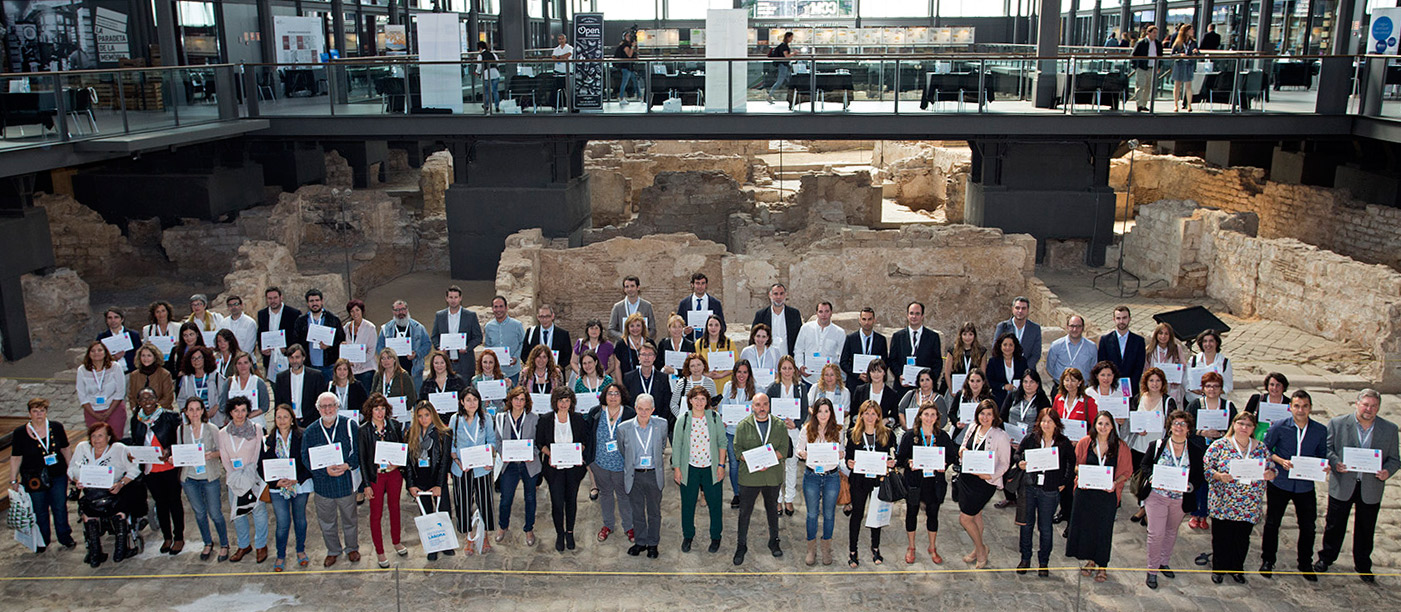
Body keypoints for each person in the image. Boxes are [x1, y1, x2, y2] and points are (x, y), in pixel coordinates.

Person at [1315, 389, 1399, 582]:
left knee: (1366, 528)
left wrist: (1387, 471)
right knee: (1334, 525)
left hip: (1371, 486)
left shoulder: (1390, 429)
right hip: (1343, 483)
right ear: (1357, 403)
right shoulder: (1337, 423)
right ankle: (1326, 558)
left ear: (1378, 408)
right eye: (1366, 405)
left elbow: (1395, 459)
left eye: (1374, 406)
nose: (1369, 409)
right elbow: (1327, 449)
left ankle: (1363, 565)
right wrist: (1336, 463)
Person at [1259, 390, 1327, 580]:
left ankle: (1305, 563)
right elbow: (1265, 449)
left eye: (1305, 406)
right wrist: (1280, 461)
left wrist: (1324, 466)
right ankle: (1268, 560)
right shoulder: (1280, 427)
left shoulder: (1320, 430)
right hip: (1280, 482)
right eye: (1297, 406)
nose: (1300, 410)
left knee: (1308, 526)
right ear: (1290, 408)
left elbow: (1323, 454)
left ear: (1310, 408)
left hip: (1305, 485)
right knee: (1272, 523)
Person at [1204, 411, 1275, 584]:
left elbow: (1272, 467)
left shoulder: (1260, 448)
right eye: (1241, 423)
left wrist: (1271, 473)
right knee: (1222, 536)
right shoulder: (1219, 445)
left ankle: (1237, 568)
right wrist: (1219, 476)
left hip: (1249, 503)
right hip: (1224, 501)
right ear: (1234, 425)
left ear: (1253, 429)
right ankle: (1219, 568)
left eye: (1248, 425)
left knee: (1242, 537)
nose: (1244, 428)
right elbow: (1207, 469)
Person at [1141, 410, 1207, 589]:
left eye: (1183, 424)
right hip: (1157, 497)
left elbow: (1199, 475)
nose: (1179, 427)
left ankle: (1164, 561)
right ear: (1169, 427)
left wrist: (1191, 486)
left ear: (1188, 429)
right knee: (1156, 534)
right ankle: (1152, 570)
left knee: (1171, 530)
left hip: (1180, 499)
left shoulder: (1195, 450)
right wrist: (1151, 477)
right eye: (1175, 423)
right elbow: (1145, 465)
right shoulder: (1157, 445)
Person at [1065, 411, 1134, 582]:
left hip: (1107, 494)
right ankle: (1090, 560)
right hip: (1086, 494)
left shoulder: (1120, 446)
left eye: (1107, 424)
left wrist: (1115, 483)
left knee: (1103, 530)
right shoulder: (1085, 442)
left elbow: (1126, 472)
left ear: (1113, 427)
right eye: (1100, 424)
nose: (1103, 427)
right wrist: (1081, 472)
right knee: (1088, 528)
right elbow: (1075, 465)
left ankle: (1102, 565)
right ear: (1095, 425)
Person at [68, 422, 141, 567]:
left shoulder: (119, 449)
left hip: (112, 491)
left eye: (100, 436)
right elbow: (72, 469)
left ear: (108, 437)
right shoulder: (82, 448)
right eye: (93, 436)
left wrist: (121, 484)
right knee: (88, 514)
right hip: (90, 493)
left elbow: (135, 469)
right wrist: (77, 480)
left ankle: (122, 549)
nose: (96, 439)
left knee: (119, 512)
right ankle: (95, 552)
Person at [1012, 408, 1075, 576]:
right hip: (1030, 487)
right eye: (1043, 421)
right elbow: (1017, 454)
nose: (1046, 424)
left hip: (1050, 490)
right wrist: (1020, 463)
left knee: (1045, 527)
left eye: (1050, 421)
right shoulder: (1032, 439)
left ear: (1056, 424)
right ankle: (1025, 558)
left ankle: (1043, 561)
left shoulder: (1063, 442)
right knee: (1026, 525)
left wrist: (1063, 482)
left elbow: (1071, 462)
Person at [9, 398, 75, 553]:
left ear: (46, 412)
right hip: (34, 478)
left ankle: (65, 536)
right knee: (40, 510)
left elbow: (65, 448)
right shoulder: (20, 433)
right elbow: (16, 457)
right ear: (29, 413)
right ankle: (42, 540)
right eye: (35, 411)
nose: (39, 414)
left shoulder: (56, 427)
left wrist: (71, 470)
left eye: (42, 411)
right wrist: (13, 479)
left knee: (59, 507)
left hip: (57, 474)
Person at [302, 391, 361, 566]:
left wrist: (348, 465)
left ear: (337, 406)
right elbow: (306, 458)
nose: (328, 410)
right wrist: (324, 471)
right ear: (318, 409)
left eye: (331, 405)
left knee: (350, 519)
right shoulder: (311, 431)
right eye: (324, 406)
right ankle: (333, 550)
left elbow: (360, 451)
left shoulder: (350, 425)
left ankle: (352, 548)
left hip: (345, 483)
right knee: (327, 522)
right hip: (323, 486)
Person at [732, 393, 790, 564]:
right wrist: (755, 462)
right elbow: (738, 450)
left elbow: (784, 448)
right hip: (749, 477)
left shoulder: (779, 425)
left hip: (772, 475)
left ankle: (774, 541)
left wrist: (769, 460)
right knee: (745, 513)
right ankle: (741, 545)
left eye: (765, 404)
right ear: (752, 406)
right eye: (758, 404)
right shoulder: (743, 426)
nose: (762, 408)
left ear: (769, 406)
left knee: (772, 510)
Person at [898, 402, 958, 566]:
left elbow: (952, 456)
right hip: (915, 481)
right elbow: (900, 458)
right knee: (912, 513)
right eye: (926, 414)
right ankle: (911, 547)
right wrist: (908, 462)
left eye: (933, 415)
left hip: (934, 482)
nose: (929, 418)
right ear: (920, 416)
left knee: (933, 514)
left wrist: (944, 464)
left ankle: (932, 547)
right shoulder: (910, 436)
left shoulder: (943, 437)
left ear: (937, 417)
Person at [125, 387, 184, 555]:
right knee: (161, 503)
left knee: (174, 502)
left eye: (150, 399)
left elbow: (180, 439)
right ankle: (167, 537)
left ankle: (178, 537)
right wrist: (133, 454)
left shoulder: (169, 416)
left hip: (169, 467)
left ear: (156, 399)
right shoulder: (136, 420)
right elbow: (137, 442)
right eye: (143, 400)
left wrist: (169, 450)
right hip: (150, 469)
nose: (147, 403)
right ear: (138, 402)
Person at [956, 400, 1012, 569]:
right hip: (967, 478)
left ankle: (981, 550)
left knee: (965, 519)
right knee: (976, 515)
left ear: (994, 415)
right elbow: (964, 446)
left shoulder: (1000, 435)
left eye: (989, 414)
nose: (985, 417)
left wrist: (991, 475)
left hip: (984, 482)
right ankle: (977, 547)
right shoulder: (973, 427)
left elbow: (1005, 463)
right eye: (982, 413)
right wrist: (962, 452)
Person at [536, 388, 592, 553]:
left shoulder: (577, 419)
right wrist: (550, 454)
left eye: (567, 400)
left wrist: (579, 450)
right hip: (554, 469)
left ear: (571, 402)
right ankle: (559, 533)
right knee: (557, 502)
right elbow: (540, 443)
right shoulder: (546, 419)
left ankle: (570, 532)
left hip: (573, 468)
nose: (564, 404)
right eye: (561, 400)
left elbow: (584, 439)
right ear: (555, 402)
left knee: (571, 501)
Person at [672, 386, 726, 554]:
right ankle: (688, 535)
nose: (699, 402)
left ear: (707, 401)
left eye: (703, 399)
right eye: (696, 399)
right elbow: (677, 446)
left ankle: (716, 536)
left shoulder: (715, 418)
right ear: (690, 400)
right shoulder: (683, 419)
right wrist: (677, 469)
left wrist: (721, 465)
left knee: (715, 504)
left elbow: (722, 443)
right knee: (688, 505)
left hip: (711, 468)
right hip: (690, 469)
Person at [844, 400, 897, 567]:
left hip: (878, 480)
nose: (869, 416)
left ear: (879, 416)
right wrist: (849, 463)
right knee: (857, 514)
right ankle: (853, 550)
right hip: (859, 480)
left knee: (876, 514)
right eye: (866, 413)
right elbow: (848, 456)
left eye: (873, 413)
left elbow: (893, 455)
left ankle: (876, 548)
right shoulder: (853, 433)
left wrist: (891, 462)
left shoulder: (887, 434)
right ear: (861, 415)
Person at [260, 403, 312, 571]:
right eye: (278, 417)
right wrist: (275, 482)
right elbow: (261, 466)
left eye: (285, 417)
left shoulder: (302, 436)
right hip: (278, 488)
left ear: (292, 419)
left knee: (300, 520)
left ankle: (300, 551)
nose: (282, 421)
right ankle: (280, 554)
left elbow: (309, 461)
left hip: (299, 485)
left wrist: (297, 479)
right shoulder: (268, 440)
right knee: (282, 522)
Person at [358, 393, 407, 566]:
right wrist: (366, 484)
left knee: (395, 507)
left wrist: (398, 465)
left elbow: (402, 449)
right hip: (375, 476)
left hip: (393, 474)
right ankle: (379, 551)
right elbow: (362, 459)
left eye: (382, 408)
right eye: (376, 409)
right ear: (370, 411)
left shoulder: (394, 425)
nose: (379, 412)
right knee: (376, 513)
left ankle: (396, 541)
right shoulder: (363, 430)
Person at [176, 397, 228, 562]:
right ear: (186, 412)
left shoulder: (211, 429)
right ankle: (207, 542)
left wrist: (210, 455)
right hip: (190, 478)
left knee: (215, 513)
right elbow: (180, 451)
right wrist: (174, 458)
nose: (194, 413)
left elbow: (222, 451)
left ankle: (225, 544)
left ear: (202, 411)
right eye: (190, 410)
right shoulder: (181, 430)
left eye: (197, 409)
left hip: (209, 477)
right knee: (199, 513)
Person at [796, 398, 846, 565]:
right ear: (814, 413)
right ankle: (811, 548)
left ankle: (826, 547)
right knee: (811, 514)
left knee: (829, 514)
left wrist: (841, 454)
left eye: (826, 411)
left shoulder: (838, 430)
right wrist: (802, 454)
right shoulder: (806, 429)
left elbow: (842, 449)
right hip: (812, 476)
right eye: (820, 411)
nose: (823, 415)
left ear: (831, 412)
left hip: (831, 476)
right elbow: (798, 449)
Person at [219, 396, 269, 563]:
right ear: (230, 413)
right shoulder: (223, 433)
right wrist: (236, 477)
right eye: (235, 411)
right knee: (238, 513)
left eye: (243, 410)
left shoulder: (257, 429)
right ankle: (243, 545)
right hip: (233, 479)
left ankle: (261, 545)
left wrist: (247, 476)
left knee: (258, 511)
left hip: (252, 476)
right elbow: (224, 458)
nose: (240, 414)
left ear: (248, 411)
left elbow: (257, 455)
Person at [619, 393, 669, 558]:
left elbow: (662, 445)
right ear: (635, 408)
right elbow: (623, 450)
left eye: (647, 409)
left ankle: (653, 544)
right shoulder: (624, 428)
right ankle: (640, 542)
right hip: (635, 475)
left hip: (654, 474)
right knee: (637, 511)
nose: (643, 413)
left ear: (653, 409)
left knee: (654, 512)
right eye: (640, 409)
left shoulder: (661, 425)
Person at [1185, 370, 1236, 530]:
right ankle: (1195, 513)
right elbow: (1185, 427)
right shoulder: (1195, 405)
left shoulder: (1228, 406)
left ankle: (1205, 514)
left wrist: (1222, 434)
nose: (1212, 389)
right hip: (1199, 448)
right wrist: (1201, 432)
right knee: (1198, 481)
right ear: (1203, 388)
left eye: (1215, 386)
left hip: (1220, 452)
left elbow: (1235, 428)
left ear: (1221, 389)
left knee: (1213, 483)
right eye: (1208, 386)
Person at [448, 387, 496, 554]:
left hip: (482, 468)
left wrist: (489, 459)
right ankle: (469, 537)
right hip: (462, 469)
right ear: (462, 402)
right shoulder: (455, 420)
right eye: (468, 400)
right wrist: (456, 460)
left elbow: (491, 441)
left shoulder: (486, 418)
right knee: (464, 503)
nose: (472, 403)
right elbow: (452, 445)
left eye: (475, 400)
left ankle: (485, 537)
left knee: (484, 501)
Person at [1126, 368, 1177, 523]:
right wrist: (1137, 429)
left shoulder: (1168, 401)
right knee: (1139, 478)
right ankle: (1142, 507)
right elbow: (1131, 419)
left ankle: (1149, 511)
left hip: (1157, 447)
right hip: (1139, 445)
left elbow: (1172, 425)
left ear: (1163, 383)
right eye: (1151, 380)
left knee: (1154, 479)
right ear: (1146, 382)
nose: (1155, 384)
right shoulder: (1138, 398)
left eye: (1158, 381)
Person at [404, 402, 453, 561]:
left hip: (437, 479)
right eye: (420, 416)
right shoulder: (410, 434)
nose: (423, 419)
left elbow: (445, 461)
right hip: (420, 480)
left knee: (443, 511)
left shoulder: (443, 434)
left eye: (426, 415)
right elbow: (408, 463)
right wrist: (411, 484)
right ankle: (432, 546)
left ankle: (446, 544)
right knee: (426, 514)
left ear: (433, 415)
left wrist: (439, 484)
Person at [587, 382, 635, 544]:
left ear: (622, 396)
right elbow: (588, 435)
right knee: (606, 494)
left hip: (622, 465)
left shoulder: (629, 413)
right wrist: (589, 460)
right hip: (600, 464)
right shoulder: (595, 413)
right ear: (604, 396)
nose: (613, 397)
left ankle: (629, 527)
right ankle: (608, 525)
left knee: (624, 495)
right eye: (610, 393)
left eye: (616, 394)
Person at [998, 369, 1052, 510]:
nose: (1028, 385)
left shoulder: (1042, 400)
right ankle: (1010, 497)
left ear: (1038, 384)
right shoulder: (1013, 396)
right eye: (1025, 381)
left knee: (1028, 473)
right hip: (1010, 441)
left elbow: (1045, 422)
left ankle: (1029, 499)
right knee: (1006, 469)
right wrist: (1006, 437)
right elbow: (1002, 417)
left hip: (1031, 442)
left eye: (1032, 382)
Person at [494, 387, 540, 547]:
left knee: (530, 498)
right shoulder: (501, 418)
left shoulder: (534, 418)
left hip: (529, 464)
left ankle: (529, 528)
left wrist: (532, 454)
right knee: (506, 498)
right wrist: (504, 453)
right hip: (510, 465)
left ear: (526, 402)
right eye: (516, 399)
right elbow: (497, 441)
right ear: (510, 400)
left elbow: (538, 441)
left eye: (522, 399)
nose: (519, 402)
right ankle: (502, 526)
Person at [766, 355, 810, 515]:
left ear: (794, 370)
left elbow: (804, 410)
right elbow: (767, 410)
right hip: (777, 431)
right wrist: (778, 423)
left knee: (792, 465)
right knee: (777, 466)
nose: (787, 371)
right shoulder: (773, 388)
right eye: (784, 368)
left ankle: (789, 499)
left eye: (790, 368)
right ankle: (777, 500)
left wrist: (796, 423)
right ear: (779, 370)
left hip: (794, 431)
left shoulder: (801, 388)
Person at [721, 359, 757, 507]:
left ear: (749, 374)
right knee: (734, 465)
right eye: (739, 372)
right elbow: (723, 407)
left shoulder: (756, 389)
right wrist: (722, 418)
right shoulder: (728, 387)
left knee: (748, 464)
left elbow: (760, 410)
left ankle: (748, 493)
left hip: (748, 434)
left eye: (745, 372)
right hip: (730, 433)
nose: (741, 375)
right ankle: (737, 494)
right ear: (734, 373)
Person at [888, 301, 942, 394]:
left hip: (925, 389)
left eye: (917, 314)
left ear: (922, 316)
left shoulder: (933, 337)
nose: (914, 316)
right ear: (907, 315)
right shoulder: (898, 336)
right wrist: (899, 375)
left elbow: (937, 362)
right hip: (903, 387)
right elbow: (892, 360)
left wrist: (930, 380)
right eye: (911, 313)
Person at [293, 289, 346, 382]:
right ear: (307, 303)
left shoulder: (333, 319)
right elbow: (296, 341)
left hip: (329, 365)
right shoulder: (301, 321)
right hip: (309, 365)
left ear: (322, 301)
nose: (315, 303)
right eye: (311, 301)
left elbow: (341, 339)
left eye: (317, 300)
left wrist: (330, 345)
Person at [78, 340, 128, 439]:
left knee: (115, 439)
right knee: (97, 441)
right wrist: (94, 414)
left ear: (105, 352)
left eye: (100, 350)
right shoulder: (82, 370)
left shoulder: (115, 367)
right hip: (92, 410)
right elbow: (82, 395)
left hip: (113, 409)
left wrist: (109, 412)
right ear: (89, 354)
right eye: (93, 351)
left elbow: (120, 392)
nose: (96, 353)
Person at [431, 285, 483, 381]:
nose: (453, 300)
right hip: (446, 363)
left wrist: (467, 347)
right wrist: (439, 347)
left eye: (456, 297)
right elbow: (434, 336)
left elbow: (478, 337)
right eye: (450, 297)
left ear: (460, 298)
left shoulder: (470, 316)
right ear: (446, 298)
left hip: (465, 363)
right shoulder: (440, 316)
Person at [375, 300, 432, 386]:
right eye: (397, 310)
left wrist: (416, 354)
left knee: (415, 398)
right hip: (392, 372)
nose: (400, 312)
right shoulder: (386, 329)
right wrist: (387, 357)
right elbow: (379, 347)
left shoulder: (418, 328)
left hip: (414, 371)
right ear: (393, 312)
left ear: (407, 310)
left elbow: (427, 345)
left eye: (403, 309)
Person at [1097, 306, 1146, 394]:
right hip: (1110, 387)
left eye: (1124, 318)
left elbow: (1139, 366)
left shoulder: (1139, 341)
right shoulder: (1105, 340)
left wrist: (1130, 385)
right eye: (1118, 318)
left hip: (1131, 388)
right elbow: (1102, 364)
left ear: (1129, 319)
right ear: (1114, 319)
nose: (1121, 321)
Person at [275, 344, 327, 427]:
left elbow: (321, 400)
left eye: (297, 357)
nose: (294, 361)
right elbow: (278, 402)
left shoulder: (315, 376)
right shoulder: (281, 378)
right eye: (291, 357)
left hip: (310, 422)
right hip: (289, 422)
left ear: (303, 358)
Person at [794, 301, 843, 387]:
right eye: (820, 311)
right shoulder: (805, 328)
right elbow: (798, 350)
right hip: (809, 379)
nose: (823, 315)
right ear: (816, 313)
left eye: (827, 311)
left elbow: (841, 356)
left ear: (831, 313)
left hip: (829, 381)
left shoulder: (839, 332)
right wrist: (800, 366)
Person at [840, 307, 887, 395]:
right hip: (854, 384)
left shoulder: (881, 340)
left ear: (874, 320)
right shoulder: (851, 339)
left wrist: (874, 375)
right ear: (859, 320)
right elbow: (843, 362)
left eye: (869, 319)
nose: (867, 323)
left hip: (874, 384)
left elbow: (885, 362)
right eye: (864, 319)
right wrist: (858, 375)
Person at [217, 352, 270, 427]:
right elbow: (222, 405)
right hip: (234, 425)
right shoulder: (229, 383)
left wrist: (246, 417)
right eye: (239, 363)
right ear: (235, 365)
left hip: (256, 424)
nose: (243, 366)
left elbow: (265, 406)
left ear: (251, 363)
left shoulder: (259, 382)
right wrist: (236, 416)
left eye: (245, 362)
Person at [1047, 315, 1097, 393]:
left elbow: (1093, 368)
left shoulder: (1092, 347)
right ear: (1067, 327)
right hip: (1060, 389)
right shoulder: (1056, 345)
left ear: (1083, 328)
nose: (1075, 329)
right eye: (1072, 326)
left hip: (1082, 390)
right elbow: (1050, 367)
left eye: (1078, 326)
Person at [623, 342, 670, 424]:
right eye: (643, 354)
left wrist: (660, 420)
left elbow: (666, 402)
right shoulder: (629, 377)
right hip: (634, 421)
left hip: (657, 421)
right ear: (638, 357)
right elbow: (626, 402)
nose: (647, 358)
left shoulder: (663, 378)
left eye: (650, 355)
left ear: (654, 357)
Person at [483, 296, 526, 383]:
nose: (498, 309)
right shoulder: (489, 327)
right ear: (492, 309)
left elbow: (523, 342)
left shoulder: (517, 325)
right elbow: (488, 346)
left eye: (501, 306)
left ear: (506, 308)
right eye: (496, 307)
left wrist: (515, 357)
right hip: (495, 372)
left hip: (512, 372)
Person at [257, 287, 301, 371]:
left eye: (275, 298)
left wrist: (287, 349)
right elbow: (260, 333)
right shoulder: (262, 314)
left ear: (281, 297)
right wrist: (262, 349)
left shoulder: (293, 313)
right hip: (270, 359)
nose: (273, 301)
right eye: (270, 298)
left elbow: (297, 336)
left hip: (288, 358)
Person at [752, 283, 802, 356]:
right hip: (767, 358)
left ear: (785, 295)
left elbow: (800, 338)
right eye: (775, 294)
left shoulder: (794, 314)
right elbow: (753, 337)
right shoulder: (761, 315)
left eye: (781, 294)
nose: (779, 297)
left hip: (788, 358)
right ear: (770, 295)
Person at [1185, 328, 1234, 404]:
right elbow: (1185, 381)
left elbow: (1228, 385)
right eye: (1205, 341)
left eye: (1211, 341)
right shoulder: (1193, 361)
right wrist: (1193, 389)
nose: (1208, 344)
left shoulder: (1224, 362)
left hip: (1217, 402)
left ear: (1216, 343)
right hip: (1195, 400)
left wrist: (1213, 392)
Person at [993, 296, 1042, 371]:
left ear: (1028, 310)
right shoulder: (1003, 327)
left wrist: (1023, 369)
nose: (1020, 311)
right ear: (1012, 309)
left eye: (1023, 308)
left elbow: (1036, 354)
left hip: (1027, 372)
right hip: (1005, 370)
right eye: (1017, 308)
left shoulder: (1035, 329)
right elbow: (995, 349)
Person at [950, 368, 996, 445]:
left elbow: (995, 416)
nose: (975, 384)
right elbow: (951, 413)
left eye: (978, 381)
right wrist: (957, 423)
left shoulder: (990, 398)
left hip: (982, 435)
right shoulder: (960, 395)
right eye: (972, 381)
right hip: (961, 435)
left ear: (983, 382)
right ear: (968, 382)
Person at [1145, 322, 1187, 405]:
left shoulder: (1176, 349)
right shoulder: (1149, 350)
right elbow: (1146, 369)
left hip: (1172, 387)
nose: (1163, 336)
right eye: (1160, 333)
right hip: (1154, 387)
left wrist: (1177, 376)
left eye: (1166, 334)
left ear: (1170, 336)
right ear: (1156, 335)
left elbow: (1183, 366)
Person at [942, 322, 986, 398]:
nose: (967, 337)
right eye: (964, 334)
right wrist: (951, 390)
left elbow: (983, 374)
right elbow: (947, 373)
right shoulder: (952, 350)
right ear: (960, 335)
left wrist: (978, 390)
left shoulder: (981, 351)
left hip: (974, 390)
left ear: (974, 336)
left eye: (970, 334)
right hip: (955, 390)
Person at [677, 272, 725, 342]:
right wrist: (684, 332)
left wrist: (714, 329)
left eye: (703, 283)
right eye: (697, 283)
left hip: (709, 344)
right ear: (692, 285)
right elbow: (677, 326)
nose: (700, 286)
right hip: (689, 344)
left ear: (706, 285)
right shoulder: (684, 304)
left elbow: (723, 326)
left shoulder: (715, 304)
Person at [371, 348, 419, 416]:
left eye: (389, 358)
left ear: (394, 359)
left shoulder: (403, 375)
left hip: (400, 415)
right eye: (383, 358)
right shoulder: (378, 375)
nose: (386, 361)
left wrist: (403, 408)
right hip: (381, 415)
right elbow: (372, 395)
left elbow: (412, 397)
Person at [670, 353, 717, 424]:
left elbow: (714, 403)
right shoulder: (682, 383)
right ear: (688, 368)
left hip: (705, 422)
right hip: (686, 423)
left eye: (699, 365)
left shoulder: (710, 383)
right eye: (692, 366)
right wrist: (681, 418)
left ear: (704, 365)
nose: (696, 368)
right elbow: (673, 404)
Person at [985, 333, 1028, 409]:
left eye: (1011, 345)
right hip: (999, 399)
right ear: (1000, 346)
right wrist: (1003, 386)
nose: (1007, 347)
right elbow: (989, 380)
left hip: (1018, 399)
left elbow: (1026, 377)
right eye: (1005, 345)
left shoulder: (1022, 361)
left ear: (1015, 346)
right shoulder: (993, 361)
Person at [127, 344, 175, 410]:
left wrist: (151, 410)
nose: (146, 358)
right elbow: (132, 397)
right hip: (140, 414)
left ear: (155, 357)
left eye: (149, 355)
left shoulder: (165, 374)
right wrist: (137, 410)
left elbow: (168, 398)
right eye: (143, 355)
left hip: (161, 412)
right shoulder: (134, 375)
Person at [176, 346, 224, 413]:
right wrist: (190, 413)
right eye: (193, 358)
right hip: (194, 418)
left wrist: (212, 411)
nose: (196, 361)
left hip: (215, 418)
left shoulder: (216, 376)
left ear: (205, 359)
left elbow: (223, 397)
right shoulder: (186, 379)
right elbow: (181, 400)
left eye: (199, 357)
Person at [608, 276, 655, 342]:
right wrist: (624, 338)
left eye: (632, 286)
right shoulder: (617, 307)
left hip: (642, 346)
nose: (630, 289)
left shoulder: (647, 306)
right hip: (623, 345)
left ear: (638, 287)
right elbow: (611, 330)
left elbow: (652, 329)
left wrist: (642, 338)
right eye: (627, 287)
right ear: (624, 289)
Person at [344, 300, 378, 390]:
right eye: (352, 311)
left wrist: (356, 362)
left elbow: (371, 351)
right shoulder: (347, 327)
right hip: (351, 370)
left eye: (357, 310)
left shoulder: (370, 327)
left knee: (366, 396)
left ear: (362, 311)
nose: (355, 313)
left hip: (367, 369)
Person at [698, 314, 735, 394]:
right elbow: (695, 364)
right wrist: (707, 374)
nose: (713, 328)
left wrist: (721, 375)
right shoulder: (699, 343)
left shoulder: (729, 343)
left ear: (721, 327)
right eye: (710, 325)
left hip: (724, 382)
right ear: (706, 327)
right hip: (706, 383)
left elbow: (734, 365)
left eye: (716, 325)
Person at [97, 307, 142, 373]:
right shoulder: (102, 337)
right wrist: (114, 358)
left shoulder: (133, 335)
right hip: (110, 373)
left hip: (131, 372)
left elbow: (139, 354)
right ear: (106, 320)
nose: (113, 320)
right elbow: (98, 356)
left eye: (116, 317)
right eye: (110, 318)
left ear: (122, 319)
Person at [1131, 24, 1162, 112]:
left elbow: (1160, 55)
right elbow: (1134, 55)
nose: (1155, 35)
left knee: (1148, 87)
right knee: (1141, 86)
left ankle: (1144, 104)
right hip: (1142, 67)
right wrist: (1135, 66)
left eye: (1156, 33)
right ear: (1148, 33)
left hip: (1152, 67)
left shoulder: (1158, 44)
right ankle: (1139, 104)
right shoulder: (1141, 43)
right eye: (1154, 33)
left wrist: (1159, 66)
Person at [219, 295, 259, 361]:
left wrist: (238, 359)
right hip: (228, 361)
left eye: (236, 304)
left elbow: (249, 347)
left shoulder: (250, 323)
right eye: (230, 305)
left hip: (246, 361)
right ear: (228, 308)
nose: (233, 307)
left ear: (241, 305)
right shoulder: (223, 323)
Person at [1170, 24, 1199, 111]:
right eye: (1191, 30)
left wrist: (1196, 52)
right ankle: (1175, 104)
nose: (1193, 31)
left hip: (1188, 64)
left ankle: (1189, 105)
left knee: (1188, 85)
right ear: (1186, 31)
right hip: (1179, 64)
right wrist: (1179, 55)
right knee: (1177, 85)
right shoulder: (1178, 42)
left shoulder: (1193, 42)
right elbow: (1172, 54)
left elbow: (1198, 52)